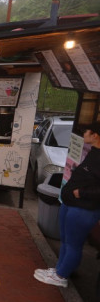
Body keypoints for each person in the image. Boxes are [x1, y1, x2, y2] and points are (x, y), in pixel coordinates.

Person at [34, 122, 100, 288]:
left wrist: (81, 193)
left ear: (95, 135)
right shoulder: (94, 152)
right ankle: (59, 269)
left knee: (73, 244)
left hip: (83, 209)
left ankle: (61, 276)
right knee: (66, 241)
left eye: (87, 131)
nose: (83, 133)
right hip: (71, 204)